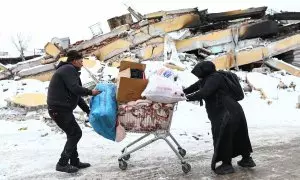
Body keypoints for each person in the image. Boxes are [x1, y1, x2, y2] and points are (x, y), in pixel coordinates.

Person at [183, 61, 256, 175]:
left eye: (199, 73)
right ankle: (247, 159)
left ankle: (226, 165)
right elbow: (194, 87)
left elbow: (204, 92)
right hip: (234, 110)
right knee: (239, 135)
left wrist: (187, 98)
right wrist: (181, 93)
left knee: (223, 137)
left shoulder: (214, 78)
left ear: (204, 70)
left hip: (225, 111)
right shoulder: (210, 78)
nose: (198, 76)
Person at [47, 50, 100, 173]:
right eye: (81, 61)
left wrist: (88, 110)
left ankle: (74, 161)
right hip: (59, 110)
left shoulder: (69, 70)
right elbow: (76, 89)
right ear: (75, 60)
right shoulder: (68, 69)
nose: (82, 63)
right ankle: (62, 163)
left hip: (62, 109)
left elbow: (76, 95)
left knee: (72, 133)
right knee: (75, 133)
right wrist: (91, 92)